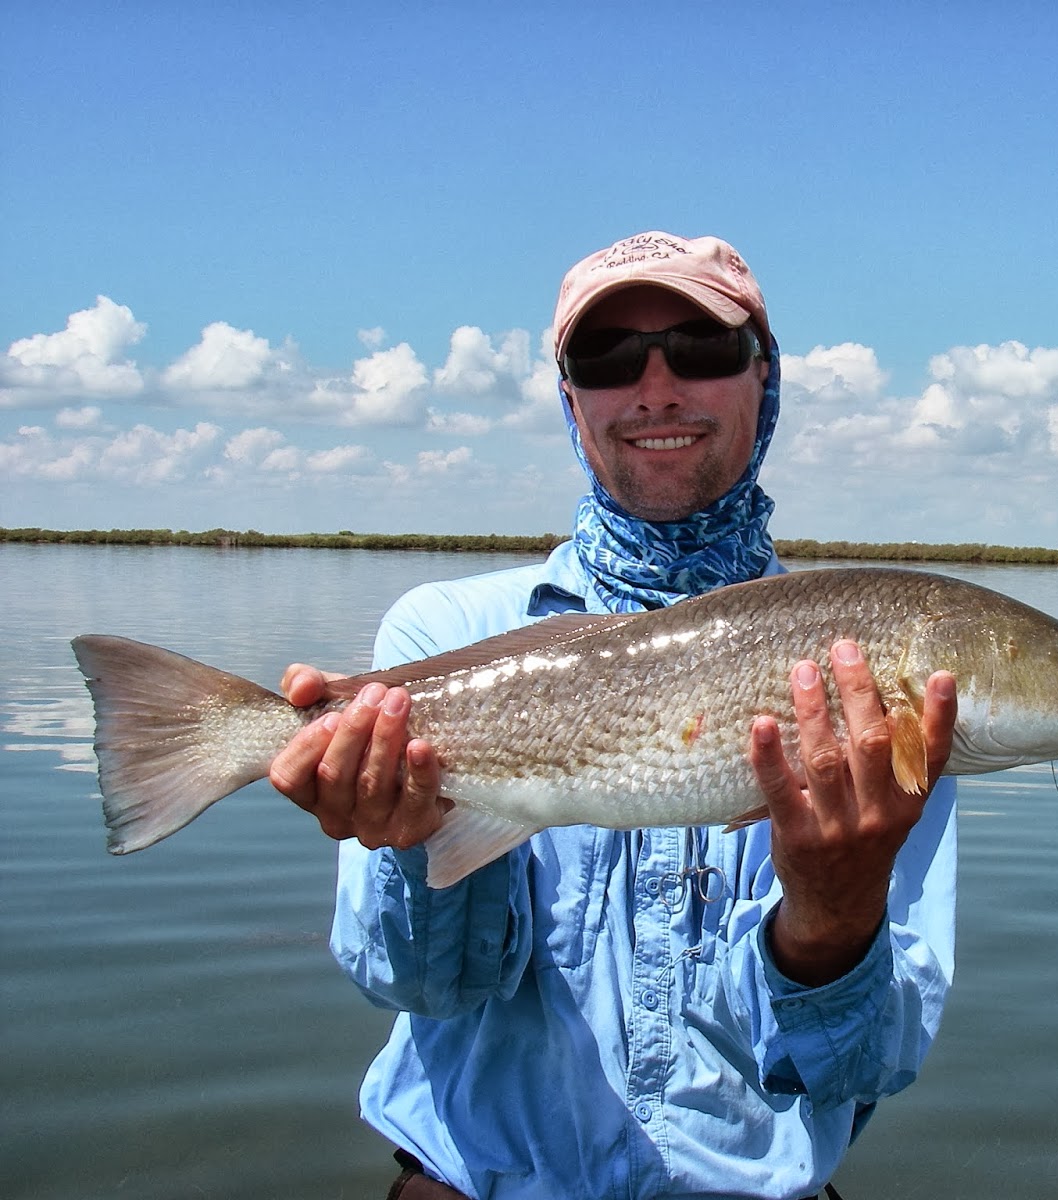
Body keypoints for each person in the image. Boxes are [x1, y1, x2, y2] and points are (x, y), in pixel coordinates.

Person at [268, 231, 961, 1200]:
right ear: (569, 400)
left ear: (765, 381)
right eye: (606, 360)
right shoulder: (441, 632)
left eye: (702, 349)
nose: (656, 387)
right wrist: (411, 849)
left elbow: (861, 1070)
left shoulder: (864, 677)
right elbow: (420, 988)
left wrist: (834, 925)